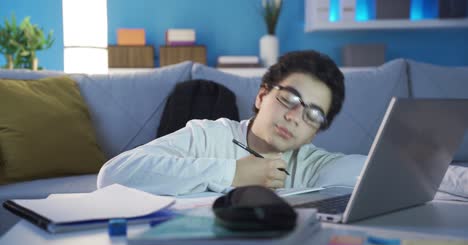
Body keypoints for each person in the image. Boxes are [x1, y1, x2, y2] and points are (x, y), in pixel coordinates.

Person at [97, 50, 368, 196]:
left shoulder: (312, 163)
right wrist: (231, 174)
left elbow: (370, 174)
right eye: (289, 98)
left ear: (314, 133)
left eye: (313, 115)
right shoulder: (207, 135)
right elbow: (113, 174)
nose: (294, 117)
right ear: (262, 95)